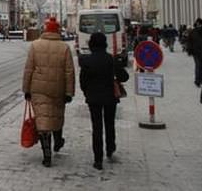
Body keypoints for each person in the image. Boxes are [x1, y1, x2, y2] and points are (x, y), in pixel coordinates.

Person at [22, 17, 75, 167]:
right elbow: (69, 72)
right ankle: (58, 141)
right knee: (56, 116)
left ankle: (47, 154)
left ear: (45, 30)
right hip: (58, 88)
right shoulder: (64, 47)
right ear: (57, 30)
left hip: (38, 89)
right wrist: (69, 92)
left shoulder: (35, 45)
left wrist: (26, 89)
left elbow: (29, 69)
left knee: (43, 119)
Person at [79, 32, 129, 171]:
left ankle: (98, 159)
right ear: (105, 44)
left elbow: (83, 81)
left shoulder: (86, 61)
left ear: (91, 44)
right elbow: (124, 76)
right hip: (110, 97)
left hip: (93, 98)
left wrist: (87, 92)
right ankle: (110, 148)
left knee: (96, 127)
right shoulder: (111, 59)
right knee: (109, 123)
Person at [188, 18, 202, 87]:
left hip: (199, 51)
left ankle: (199, 80)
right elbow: (189, 42)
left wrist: (190, 50)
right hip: (200, 51)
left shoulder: (193, 31)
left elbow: (189, 42)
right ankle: (201, 80)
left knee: (200, 66)